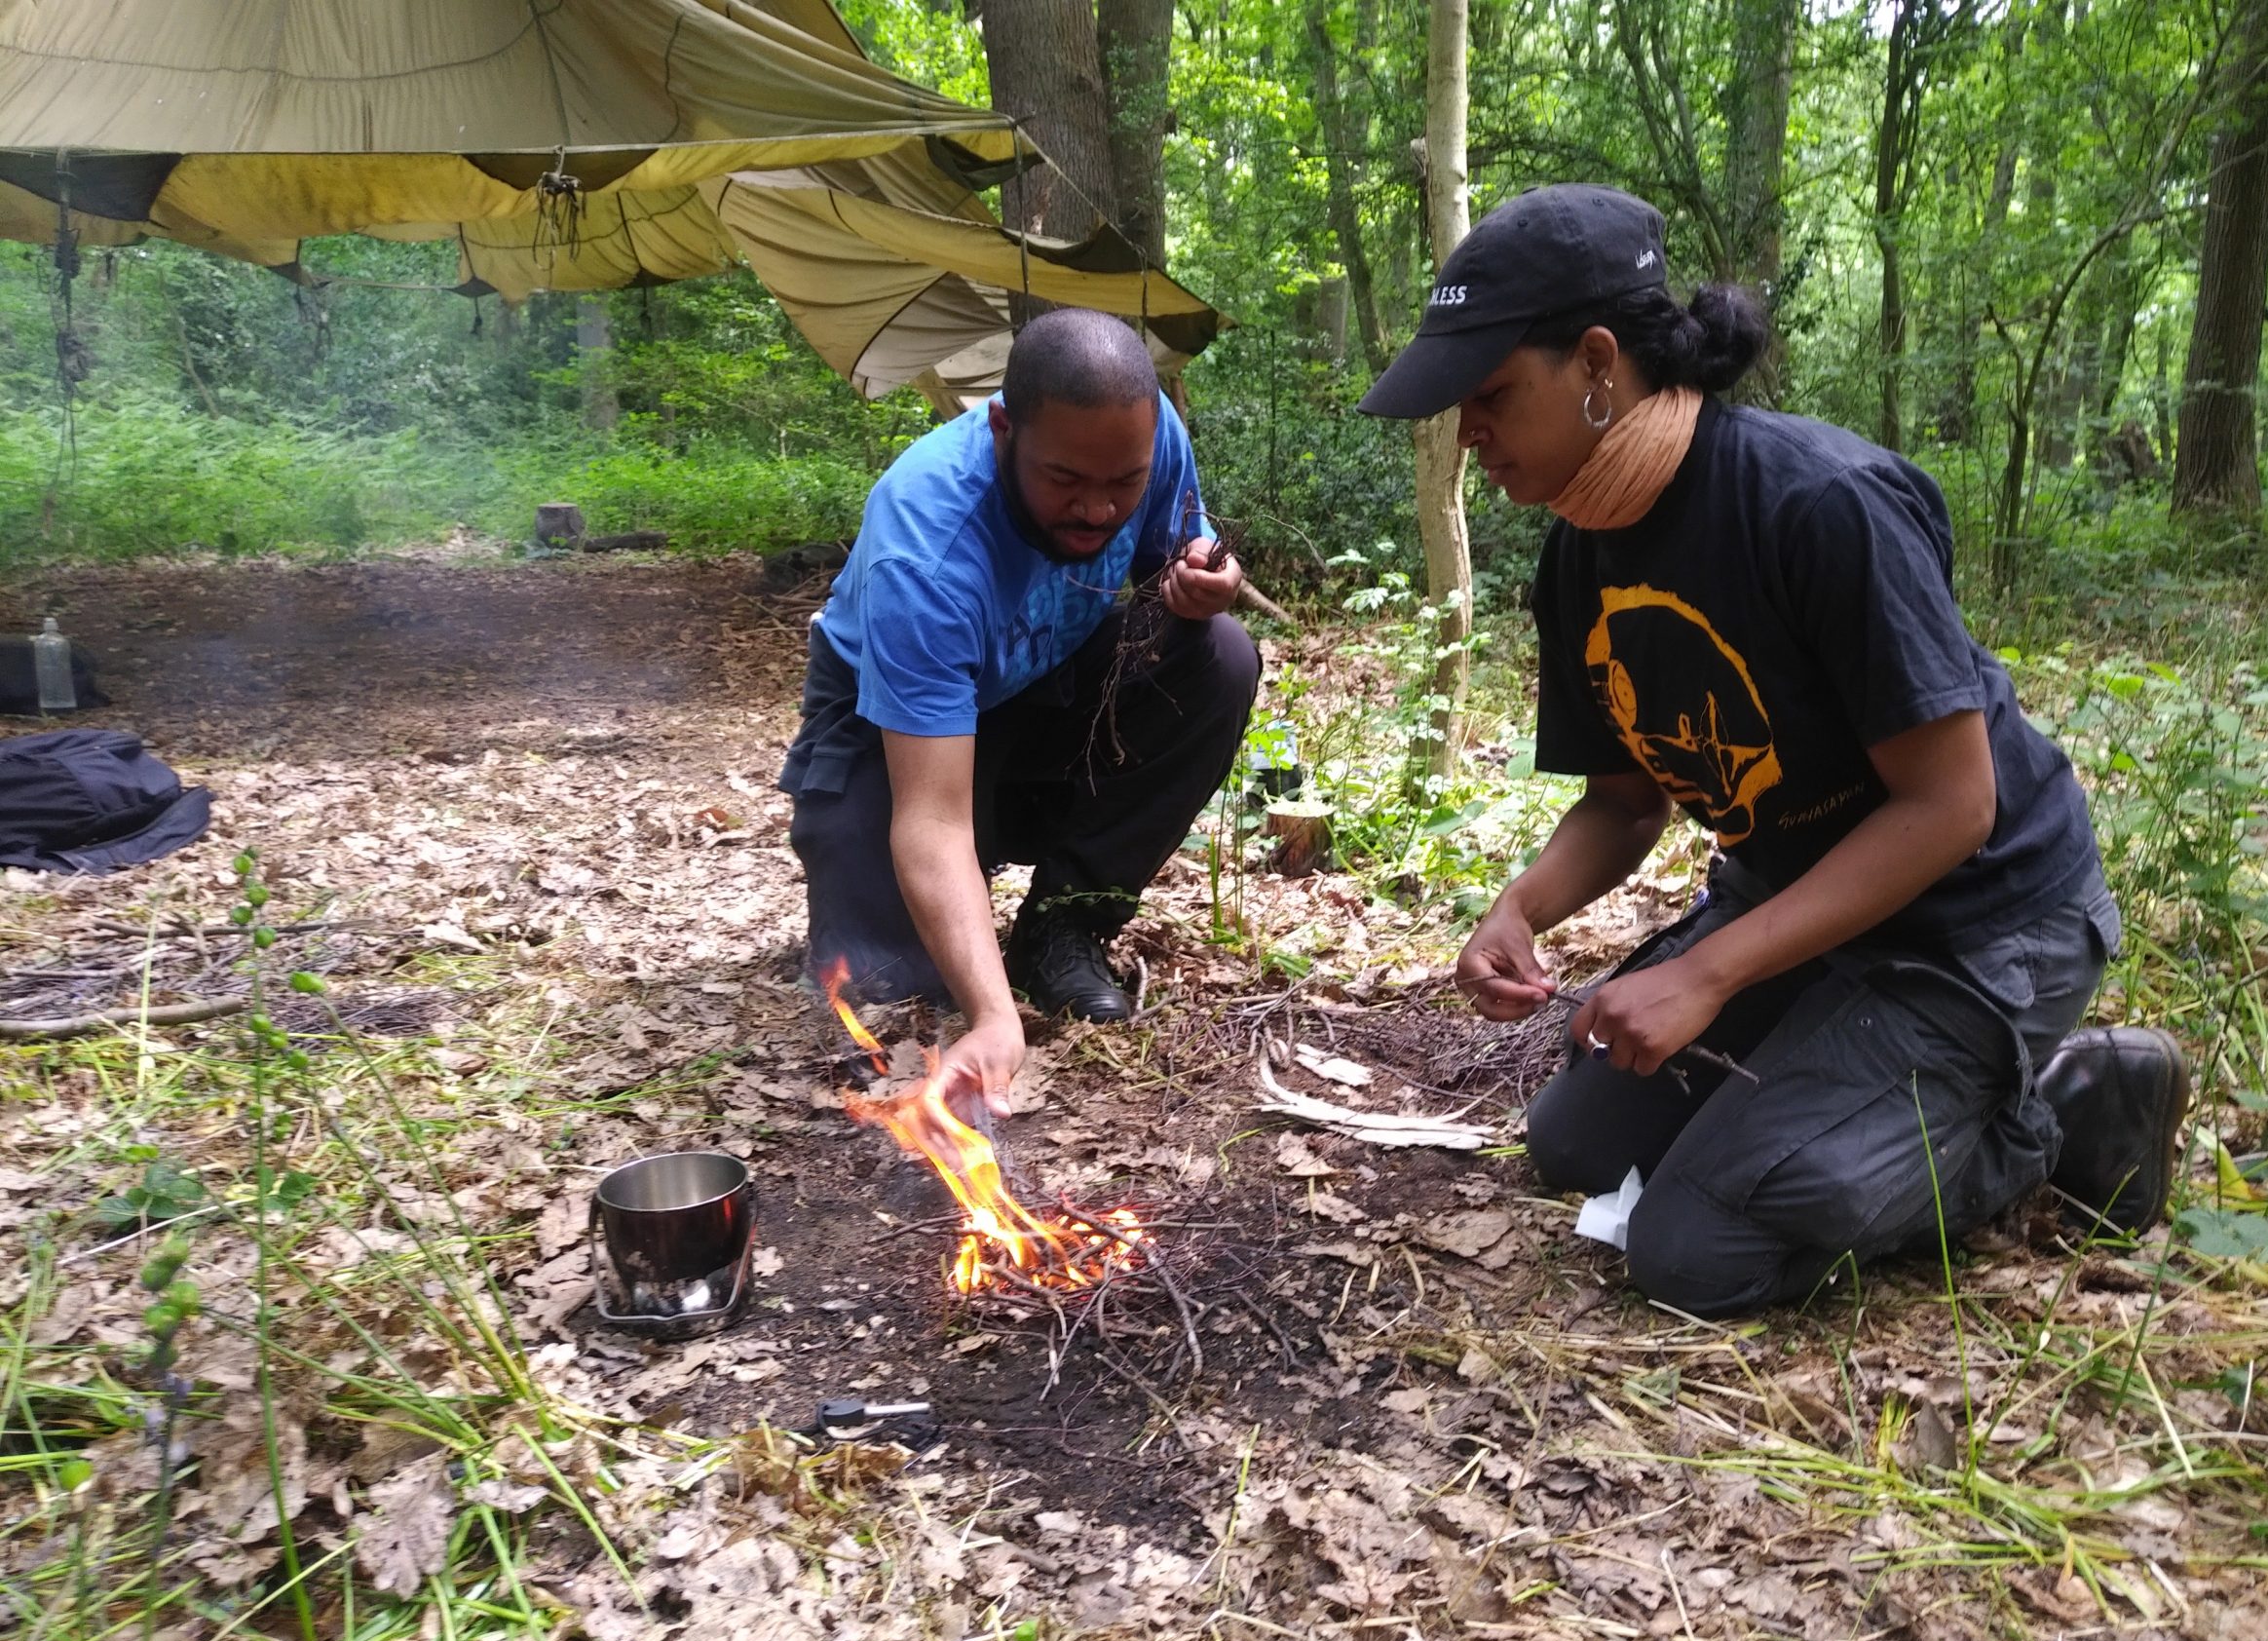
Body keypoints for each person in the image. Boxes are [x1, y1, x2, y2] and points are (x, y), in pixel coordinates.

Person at [1358, 185, 2190, 1317]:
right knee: (1574, 1144)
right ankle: (1837, 1092)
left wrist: (1705, 973)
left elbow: (1950, 809)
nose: (1471, 433)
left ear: (1597, 363)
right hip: (1801, 914)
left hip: (1981, 925)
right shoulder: (1579, 555)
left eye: (1492, 394)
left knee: (1696, 1249)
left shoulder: (1820, 504)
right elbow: (1624, 802)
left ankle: (2062, 1104)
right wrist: (1521, 908)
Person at [780, 309, 1257, 1108]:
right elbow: (931, 817)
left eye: (1123, 484)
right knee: (887, 980)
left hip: (1043, 685)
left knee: (1220, 656)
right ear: (1003, 427)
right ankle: (912, 921)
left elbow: (1186, 546)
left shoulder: (1150, 435)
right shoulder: (925, 546)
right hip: (883, 731)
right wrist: (993, 1016)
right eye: (1065, 481)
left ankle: (1061, 927)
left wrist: (1212, 576)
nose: (1100, 510)